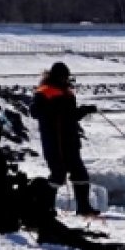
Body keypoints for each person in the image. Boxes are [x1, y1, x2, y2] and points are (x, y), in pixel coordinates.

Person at [30, 61, 100, 216]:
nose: (66, 79)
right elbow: (35, 111)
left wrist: (85, 110)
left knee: (80, 173)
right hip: (54, 141)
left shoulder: (66, 92)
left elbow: (70, 115)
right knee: (58, 174)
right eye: (64, 77)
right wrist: (53, 110)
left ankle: (83, 207)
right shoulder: (44, 91)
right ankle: (46, 207)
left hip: (70, 140)